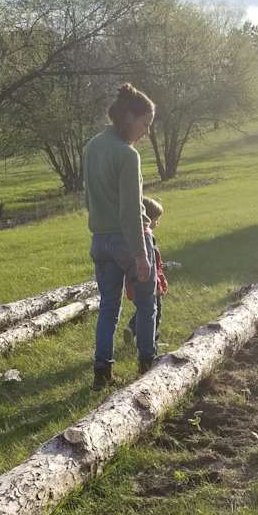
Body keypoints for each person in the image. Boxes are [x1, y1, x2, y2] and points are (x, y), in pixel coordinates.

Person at [82, 84, 157, 390]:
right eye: (145, 124)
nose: (146, 133)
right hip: (128, 240)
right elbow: (129, 211)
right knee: (147, 303)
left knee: (109, 308)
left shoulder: (92, 147)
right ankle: (147, 364)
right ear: (129, 117)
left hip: (99, 241)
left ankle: (102, 372)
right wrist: (141, 255)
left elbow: (89, 200)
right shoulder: (128, 155)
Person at [124, 196, 168, 346]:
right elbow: (155, 265)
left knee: (143, 308)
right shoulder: (149, 239)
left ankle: (131, 328)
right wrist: (160, 282)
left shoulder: (134, 237)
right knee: (154, 312)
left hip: (136, 282)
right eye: (156, 219)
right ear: (147, 218)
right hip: (151, 283)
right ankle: (152, 342)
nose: (158, 222)